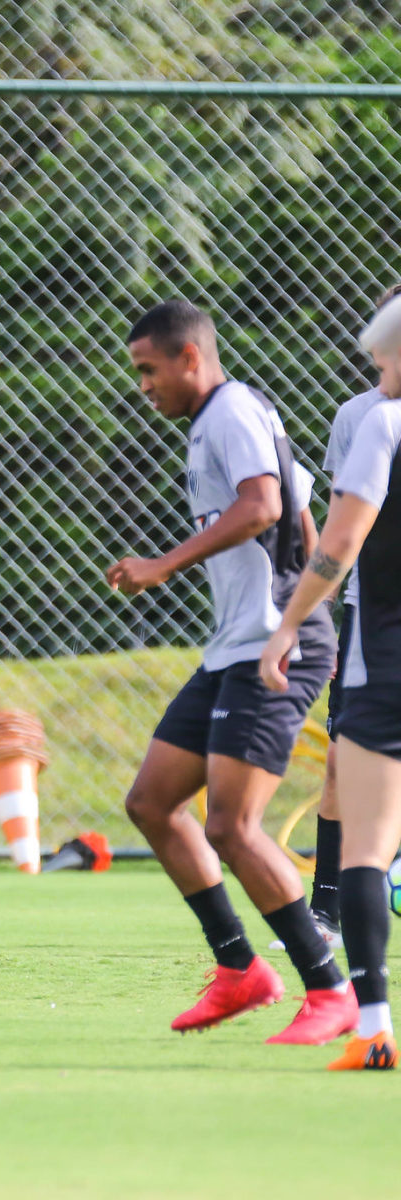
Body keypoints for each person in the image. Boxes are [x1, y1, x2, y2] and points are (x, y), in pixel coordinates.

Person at [106, 299, 354, 1044]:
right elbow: (302, 511)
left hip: (274, 647)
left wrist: (164, 567)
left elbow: (262, 506)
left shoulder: (231, 408)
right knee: (152, 803)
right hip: (236, 645)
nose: (143, 385)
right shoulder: (223, 421)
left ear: (190, 358)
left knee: (234, 826)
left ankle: (330, 989)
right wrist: (309, 591)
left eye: (149, 370)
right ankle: (239, 970)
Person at [260, 291, 401, 1070]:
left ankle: (373, 1028)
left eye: (383, 353)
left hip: (386, 645)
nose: (375, 367)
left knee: (368, 846)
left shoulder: (381, 421)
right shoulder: (369, 412)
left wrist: (288, 625)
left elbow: (342, 539)